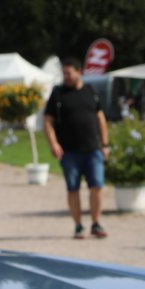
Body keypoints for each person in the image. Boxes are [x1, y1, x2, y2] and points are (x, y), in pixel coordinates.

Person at [44, 59, 110, 239]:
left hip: (93, 149)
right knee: (73, 188)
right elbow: (48, 121)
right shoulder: (58, 93)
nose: (66, 77)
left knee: (97, 185)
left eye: (69, 73)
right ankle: (78, 225)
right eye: (64, 74)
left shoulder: (91, 91)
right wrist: (54, 143)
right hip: (69, 151)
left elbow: (100, 118)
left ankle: (96, 223)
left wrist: (105, 144)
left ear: (79, 72)